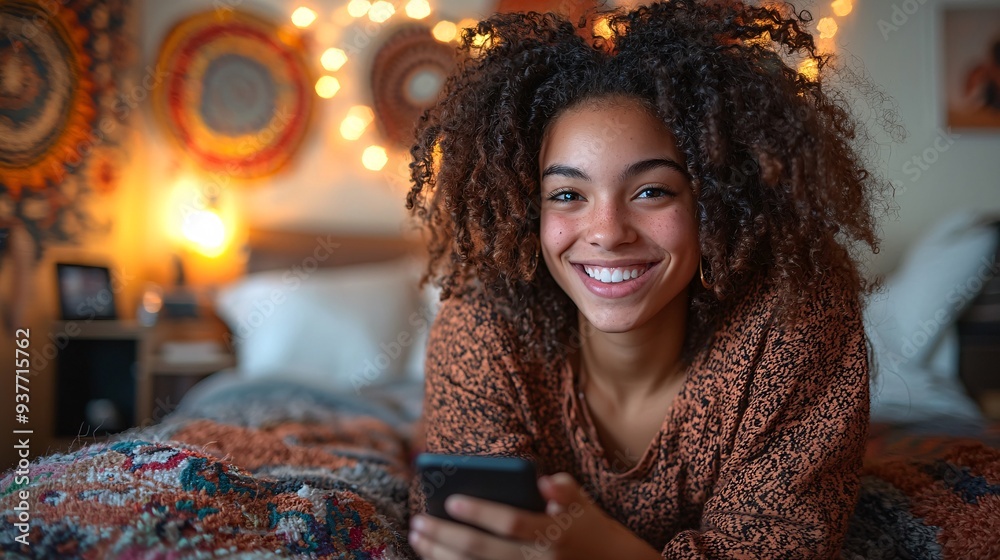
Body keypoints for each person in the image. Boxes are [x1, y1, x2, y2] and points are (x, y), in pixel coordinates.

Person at [404, 1, 886, 558]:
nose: (607, 232)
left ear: (716, 201)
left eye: (652, 191)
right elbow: (465, 537)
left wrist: (604, 551)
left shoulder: (796, 321)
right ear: (526, 213)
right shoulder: (484, 318)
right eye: (566, 195)